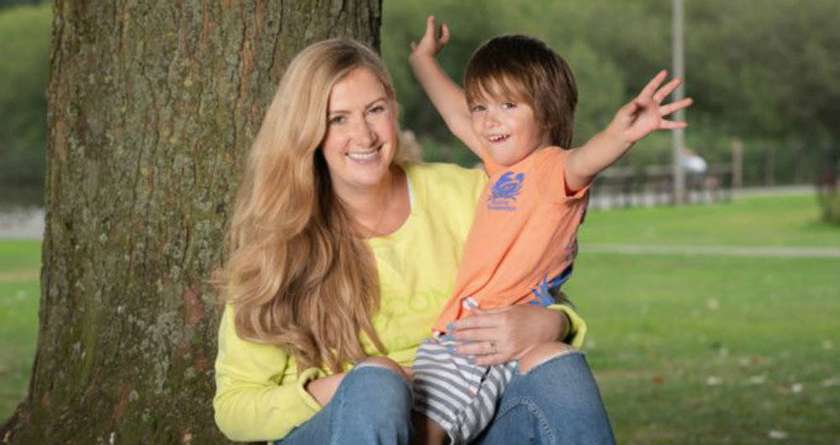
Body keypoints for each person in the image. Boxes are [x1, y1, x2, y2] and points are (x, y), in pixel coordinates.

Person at [213, 37, 612, 445]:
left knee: (557, 368)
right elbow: (235, 409)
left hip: (461, 421)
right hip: (344, 426)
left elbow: (533, 284)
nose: (363, 135)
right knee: (377, 386)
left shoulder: (468, 194)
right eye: (338, 119)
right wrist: (352, 387)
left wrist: (555, 322)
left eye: (375, 110)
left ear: (393, 108)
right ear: (307, 130)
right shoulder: (279, 240)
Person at [408, 17, 692, 444]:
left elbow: (586, 160)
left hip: (486, 338)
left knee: (426, 432)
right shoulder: (500, 166)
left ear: (547, 112)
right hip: (462, 334)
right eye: (481, 107)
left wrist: (621, 135)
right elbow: (453, 112)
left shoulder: (552, 169)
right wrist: (422, 59)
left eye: (508, 106)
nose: (488, 120)